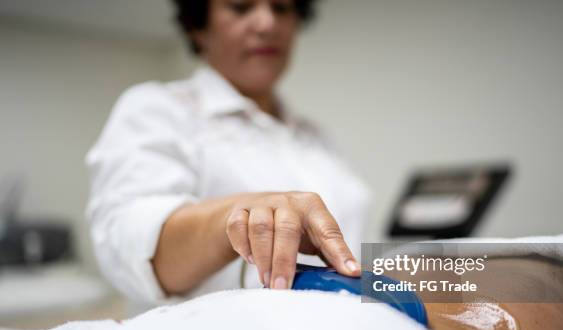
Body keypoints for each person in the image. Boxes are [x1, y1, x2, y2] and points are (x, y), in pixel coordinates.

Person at [86, 0, 371, 303]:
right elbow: (131, 246)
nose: (267, 24)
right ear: (199, 28)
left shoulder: (315, 137)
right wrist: (244, 214)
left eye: (282, 8)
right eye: (241, 7)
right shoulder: (157, 109)